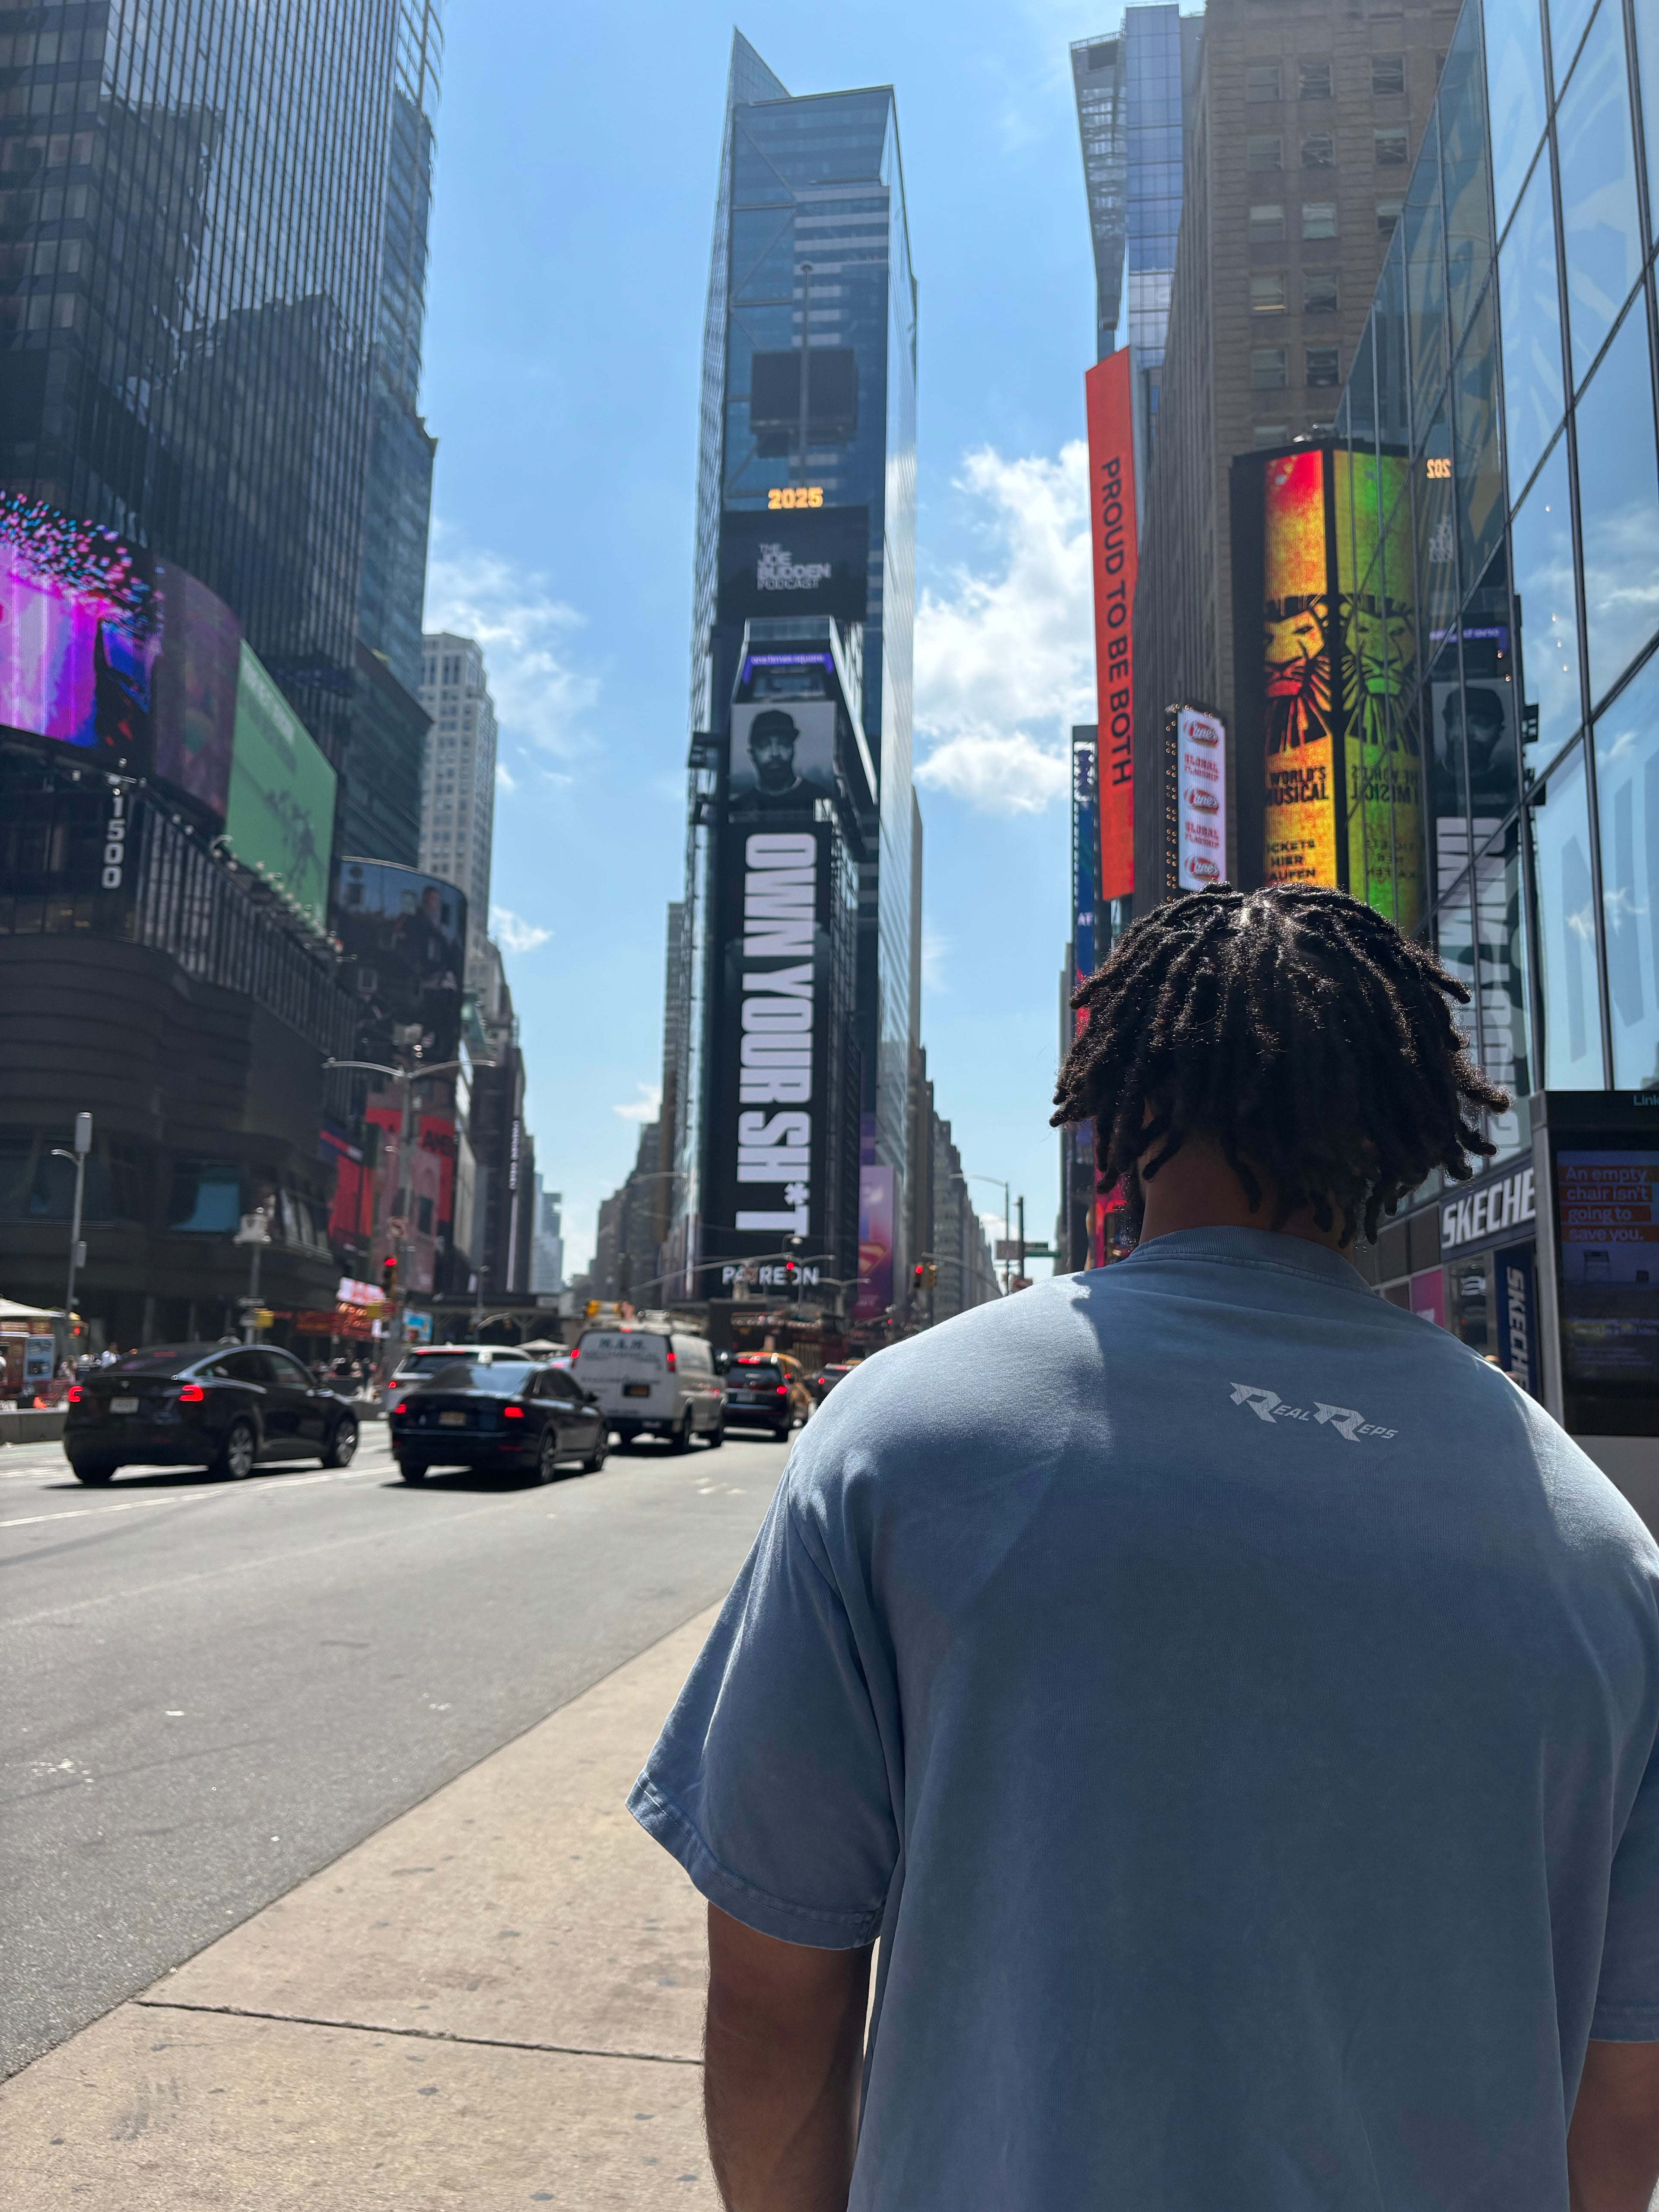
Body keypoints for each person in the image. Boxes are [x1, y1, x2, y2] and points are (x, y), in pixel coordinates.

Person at [629, 882, 1659, 2212]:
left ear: (1118, 1114)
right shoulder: (1598, 1547)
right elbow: (1619, 2106)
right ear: (1409, 1131)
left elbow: (779, 1997)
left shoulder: (900, 1437)